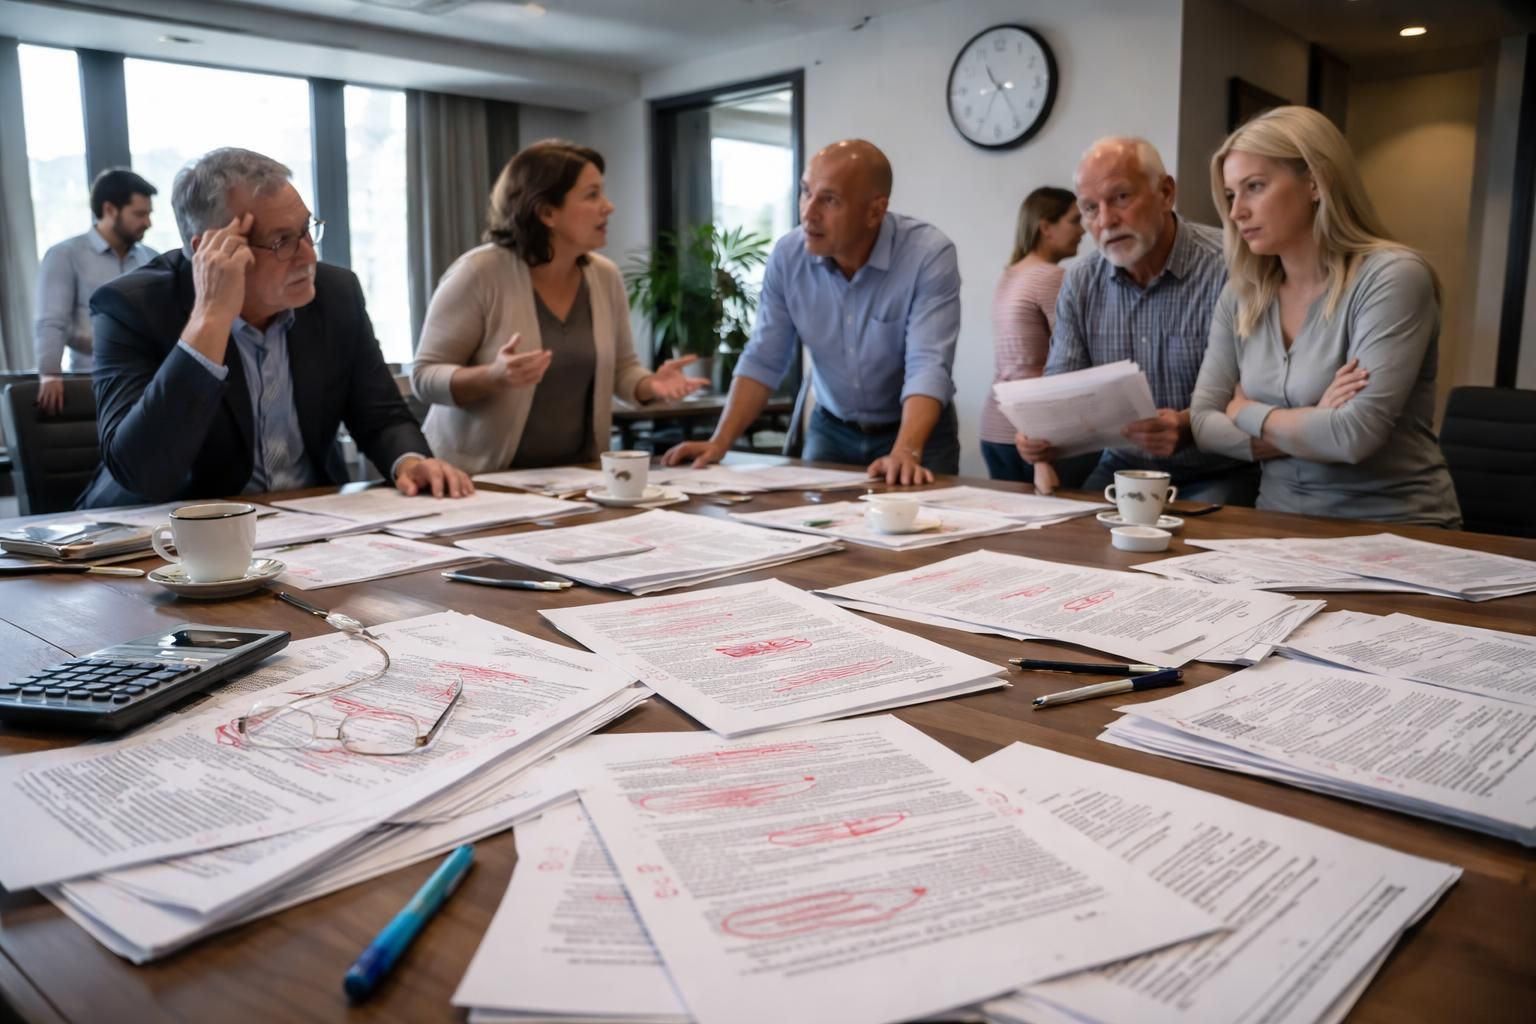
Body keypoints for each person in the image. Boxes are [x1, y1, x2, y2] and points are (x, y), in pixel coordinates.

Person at [78, 147, 472, 509]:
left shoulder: (335, 294)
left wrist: (410, 461)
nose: (308, 256)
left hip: (309, 519)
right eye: (282, 241)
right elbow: (143, 472)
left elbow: (381, 414)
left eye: (306, 230)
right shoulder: (131, 307)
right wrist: (210, 318)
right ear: (209, 251)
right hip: (168, 538)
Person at [1189, 106, 1461, 527]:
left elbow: (1352, 437)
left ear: (1315, 182)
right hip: (1275, 526)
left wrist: (1243, 409)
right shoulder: (1241, 294)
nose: (1236, 211)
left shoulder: (1394, 277)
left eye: (1254, 187)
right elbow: (1203, 425)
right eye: (1230, 195)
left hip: (1395, 530)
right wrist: (1315, 419)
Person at [662, 139, 961, 485]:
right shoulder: (789, 257)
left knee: (927, 530)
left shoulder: (927, 255)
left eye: (829, 200)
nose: (808, 212)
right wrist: (719, 442)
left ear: (875, 212)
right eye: (806, 192)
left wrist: (905, 450)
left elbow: (928, 364)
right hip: (832, 428)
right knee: (816, 529)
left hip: (917, 433)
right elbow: (764, 357)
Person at [411, 140, 703, 474]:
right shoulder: (479, 272)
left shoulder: (604, 276)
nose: (608, 207)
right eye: (592, 195)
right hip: (473, 479)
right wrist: (493, 376)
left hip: (573, 480)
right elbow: (424, 377)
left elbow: (622, 369)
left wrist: (651, 385)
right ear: (547, 212)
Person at [1015, 137, 1258, 504]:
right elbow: (1062, 389)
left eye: (1121, 198)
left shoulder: (1232, 268)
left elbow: (1264, 390)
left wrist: (1188, 425)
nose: (1107, 220)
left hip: (1219, 470)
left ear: (1165, 193)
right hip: (1122, 469)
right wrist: (1041, 433)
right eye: (1089, 209)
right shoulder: (1081, 282)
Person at [33, 168, 159, 415]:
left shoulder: (151, 258)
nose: (148, 223)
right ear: (110, 209)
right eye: (139, 214)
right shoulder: (65, 255)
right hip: (91, 384)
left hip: (147, 385)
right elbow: (51, 321)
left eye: (149, 214)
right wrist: (49, 374)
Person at [979, 186, 1082, 482]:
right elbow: (1070, 354)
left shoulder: (1010, 273)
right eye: (1074, 220)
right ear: (1046, 227)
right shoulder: (1050, 276)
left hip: (995, 425)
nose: (1083, 230)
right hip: (1031, 435)